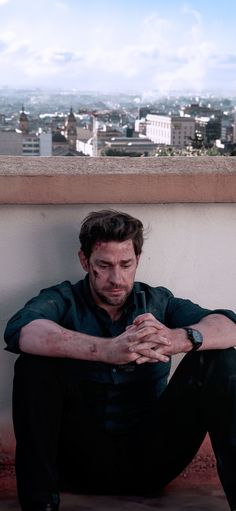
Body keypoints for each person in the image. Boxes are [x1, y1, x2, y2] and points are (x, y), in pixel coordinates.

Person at [4, 209, 236, 511]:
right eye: (105, 265)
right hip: (75, 464)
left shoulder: (158, 301)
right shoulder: (62, 299)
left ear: (137, 260)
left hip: (151, 460)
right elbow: (21, 330)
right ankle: (40, 506)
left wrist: (177, 339)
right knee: (34, 364)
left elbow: (229, 326)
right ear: (85, 261)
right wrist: (107, 350)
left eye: (126, 265)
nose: (117, 278)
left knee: (218, 358)